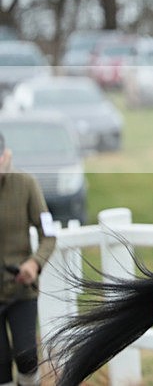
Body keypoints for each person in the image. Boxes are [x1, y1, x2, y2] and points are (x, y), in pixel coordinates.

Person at [0, 132, 56, 386]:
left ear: (6, 156)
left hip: (21, 287)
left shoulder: (26, 184)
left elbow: (49, 235)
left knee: (26, 356)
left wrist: (34, 263)